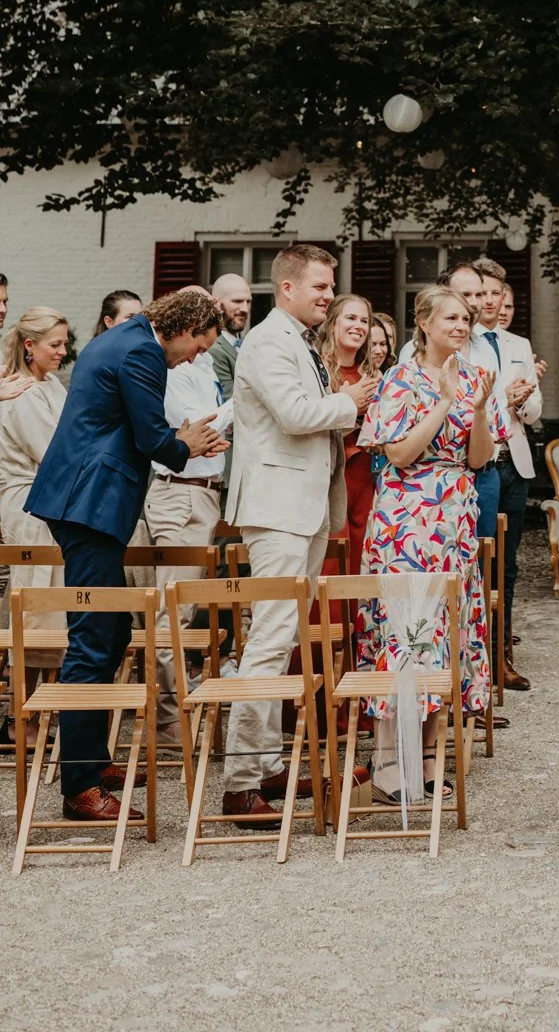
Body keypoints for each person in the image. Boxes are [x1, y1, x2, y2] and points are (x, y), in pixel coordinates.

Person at [24, 288, 226, 822]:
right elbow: (151, 436)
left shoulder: (120, 338)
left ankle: (91, 757)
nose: (196, 356)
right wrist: (188, 446)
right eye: (199, 345)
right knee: (93, 638)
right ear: (184, 327)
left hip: (85, 499)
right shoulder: (141, 352)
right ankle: (80, 788)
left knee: (111, 632)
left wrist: (174, 440)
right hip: (90, 502)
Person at [220, 244, 379, 822]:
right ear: (286, 287)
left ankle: (266, 765)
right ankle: (240, 782)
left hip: (306, 506)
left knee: (285, 638)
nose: (328, 295)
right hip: (277, 506)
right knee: (267, 641)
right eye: (319, 286)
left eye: (330, 285)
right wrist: (349, 401)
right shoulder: (267, 342)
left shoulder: (298, 342)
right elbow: (292, 414)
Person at [357, 285, 495, 797]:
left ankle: (432, 762)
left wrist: (477, 410)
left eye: (467, 319)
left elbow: (479, 460)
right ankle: (392, 766)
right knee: (406, 631)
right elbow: (398, 453)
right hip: (405, 521)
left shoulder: (479, 376)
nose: (461, 326)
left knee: (445, 635)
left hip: (454, 520)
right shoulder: (400, 378)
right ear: (425, 323)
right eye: (452, 318)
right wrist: (443, 403)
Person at [144, 305, 230, 741]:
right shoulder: (172, 371)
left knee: (186, 610)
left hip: (204, 492)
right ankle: (169, 722)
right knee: (171, 611)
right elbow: (198, 429)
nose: (201, 352)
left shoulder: (202, 366)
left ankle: (176, 711)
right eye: (201, 342)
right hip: (180, 491)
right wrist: (242, 402)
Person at [466, 255, 542, 691]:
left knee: (506, 565)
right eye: (483, 293)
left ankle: (501, 653)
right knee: (477, 559)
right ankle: (476, 655)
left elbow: (535, 410)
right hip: (478, 460)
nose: (490, 300)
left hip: (513, 459)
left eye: (496, 294)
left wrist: (517, 401)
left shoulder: (518, 345)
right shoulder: (461, 337)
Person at [0, 307, 71, 611]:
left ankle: (53, 656)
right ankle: (31, 654)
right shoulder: (21, 391)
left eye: (64, 343)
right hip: (27, 500)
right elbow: (52, 452)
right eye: (54, 345)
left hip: (53, 497)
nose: (63, 352)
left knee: (57, 583)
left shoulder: (52, 383)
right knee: (35, 584)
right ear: (29, 345)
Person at [317, 293, 385, 575]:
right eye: (351, 318)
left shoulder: (374, 375)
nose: (359, 326)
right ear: (332, 323)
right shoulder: (318, 368)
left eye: (364, 320)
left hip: (364, 476)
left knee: (361, 553)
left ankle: (356, 620)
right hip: (330, 475)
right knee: (332, 555)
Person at [209, 273, 252, 399]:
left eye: (248, 302)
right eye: (237, 301)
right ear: (217, 303)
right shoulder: (213, 348)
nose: (245, 309)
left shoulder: (249, 343)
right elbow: (231, 400)